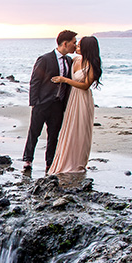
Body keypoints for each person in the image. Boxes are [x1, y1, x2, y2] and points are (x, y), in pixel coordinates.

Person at [22, 30, 77, 171]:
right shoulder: (45, 59)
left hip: (58, 104)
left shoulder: (70, 61)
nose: (75, 46)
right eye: (73, 43)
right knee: (34, 132)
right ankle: (28, 159)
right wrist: (34, 103)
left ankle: (50, 162)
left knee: (54, 134)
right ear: (65, 43)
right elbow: (35, 81)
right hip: (42, 103)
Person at [47, 36, 102, 174]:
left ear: (86, 48)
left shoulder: (91, 65)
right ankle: (65, 159)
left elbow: (85, 85)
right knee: (70, 129)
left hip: (82, 99)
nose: (76, 47)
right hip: (72, 98)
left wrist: (64, 80)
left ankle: (77, 162)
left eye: (79, 45)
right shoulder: (75, 60)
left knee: (80, 130)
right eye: (76, 44)